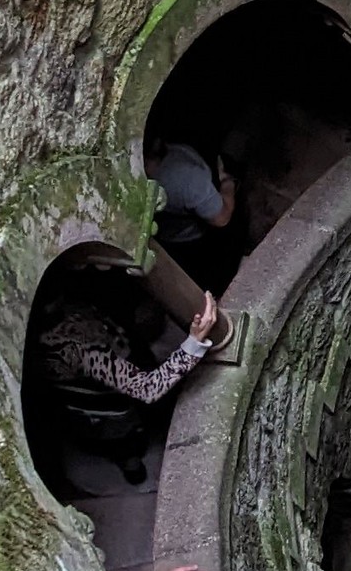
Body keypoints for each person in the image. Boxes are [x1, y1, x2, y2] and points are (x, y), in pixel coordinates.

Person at [35, 260, 220, 409]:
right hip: (116, 391)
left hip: (121, 346)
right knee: (166, 403)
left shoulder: (66, 301)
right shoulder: (73, 348)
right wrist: (194, 343)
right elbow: (148, 389)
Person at [146, 135, 237, 265]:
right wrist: (228, 183)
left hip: (169, 229)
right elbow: (222, 217)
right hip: (190, 238)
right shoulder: (187, 179)